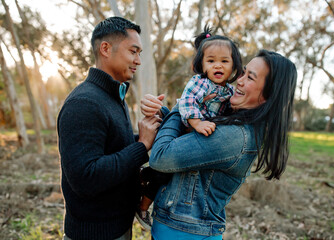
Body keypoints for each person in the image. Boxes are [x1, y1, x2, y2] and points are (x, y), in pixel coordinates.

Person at [141, 49, 297, 239]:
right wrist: (162, 113)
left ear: (267, 96)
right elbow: (184, 142)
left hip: (186, 234)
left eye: (250, 78)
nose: (239, 80)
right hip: (174, 230)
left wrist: (182, 107)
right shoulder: (229, 117)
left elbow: (161, 157)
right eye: (244, 72)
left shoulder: (236, 136)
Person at [57, 16, 164, 240]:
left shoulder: (113, 97)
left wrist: (150, 135)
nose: (138, 60)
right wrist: (142, 145)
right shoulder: (84, 103)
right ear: (105, 49)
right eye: (133, 51)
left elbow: (111, 148)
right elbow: (86, 177)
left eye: (139, 53)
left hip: (117, 228)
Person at [135, 26, 243, 230]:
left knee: (172, 172)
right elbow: (186, 103)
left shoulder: (229, 90)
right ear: (201, 65)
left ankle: (143, 177)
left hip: (199, 137)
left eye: (224, 61)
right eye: (211, 61)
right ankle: (142, 207)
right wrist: (197, 122)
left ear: (234, 66)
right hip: (185, 131)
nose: (217, 66)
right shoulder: (199, 83)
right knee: (163, 172)